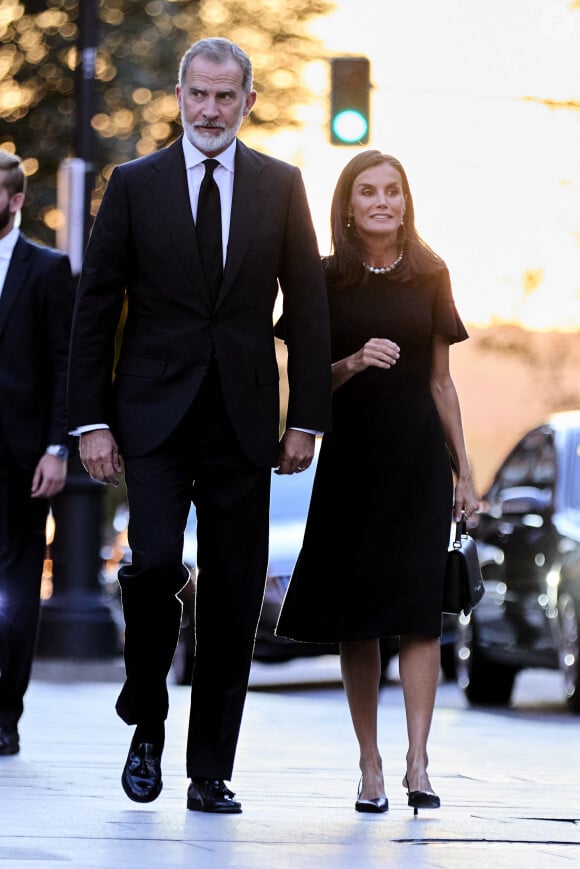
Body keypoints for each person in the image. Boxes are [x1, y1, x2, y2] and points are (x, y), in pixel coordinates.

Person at [66, 37, 331, 811]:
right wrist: (89, 421)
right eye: (198, 95)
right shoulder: (135, 184)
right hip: (149, 417)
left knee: (235, 594)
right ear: (179, 97)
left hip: (245, 422)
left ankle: (209, 767)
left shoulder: (281, 187)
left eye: (225, 97)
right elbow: (96, 309)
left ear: (248, 102)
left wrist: (306, 419)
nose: (209, 110)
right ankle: (145, 714)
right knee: (152, 567)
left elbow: (308, 310)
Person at [276, 150, 479, 814]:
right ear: (348, 206)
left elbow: (440, 382)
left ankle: (419, 762)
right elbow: (306, 379)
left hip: (419, 463)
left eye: (393, 191)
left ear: (405, 202)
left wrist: (466, 473)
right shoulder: (323, 279)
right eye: (369, 192)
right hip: (352, 465)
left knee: (421, 616)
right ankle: (371, 763)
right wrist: (355, 360)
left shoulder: (431, 274)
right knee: (358, 621)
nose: (383, 201)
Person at [0, 150, 74, 755]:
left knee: (18, 587)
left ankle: (5, 713)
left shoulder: (49, 270)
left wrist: (57, 448)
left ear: (16, 199)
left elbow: (63, 366)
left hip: (21, 458)